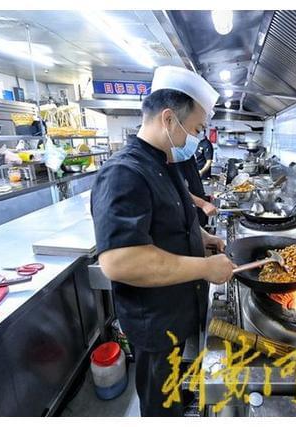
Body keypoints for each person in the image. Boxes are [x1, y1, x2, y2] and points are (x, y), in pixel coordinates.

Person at [90, 66, 235, 416]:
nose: (195, 140)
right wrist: (205, 267)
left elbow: (174, 216)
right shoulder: (125, 172)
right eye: (196, 129)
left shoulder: (163, 164)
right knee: (158, 401)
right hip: (153, 319)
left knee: (173, 387)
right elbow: (121, 262)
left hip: (176, 308)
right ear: (169, 120)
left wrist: (204, 237)